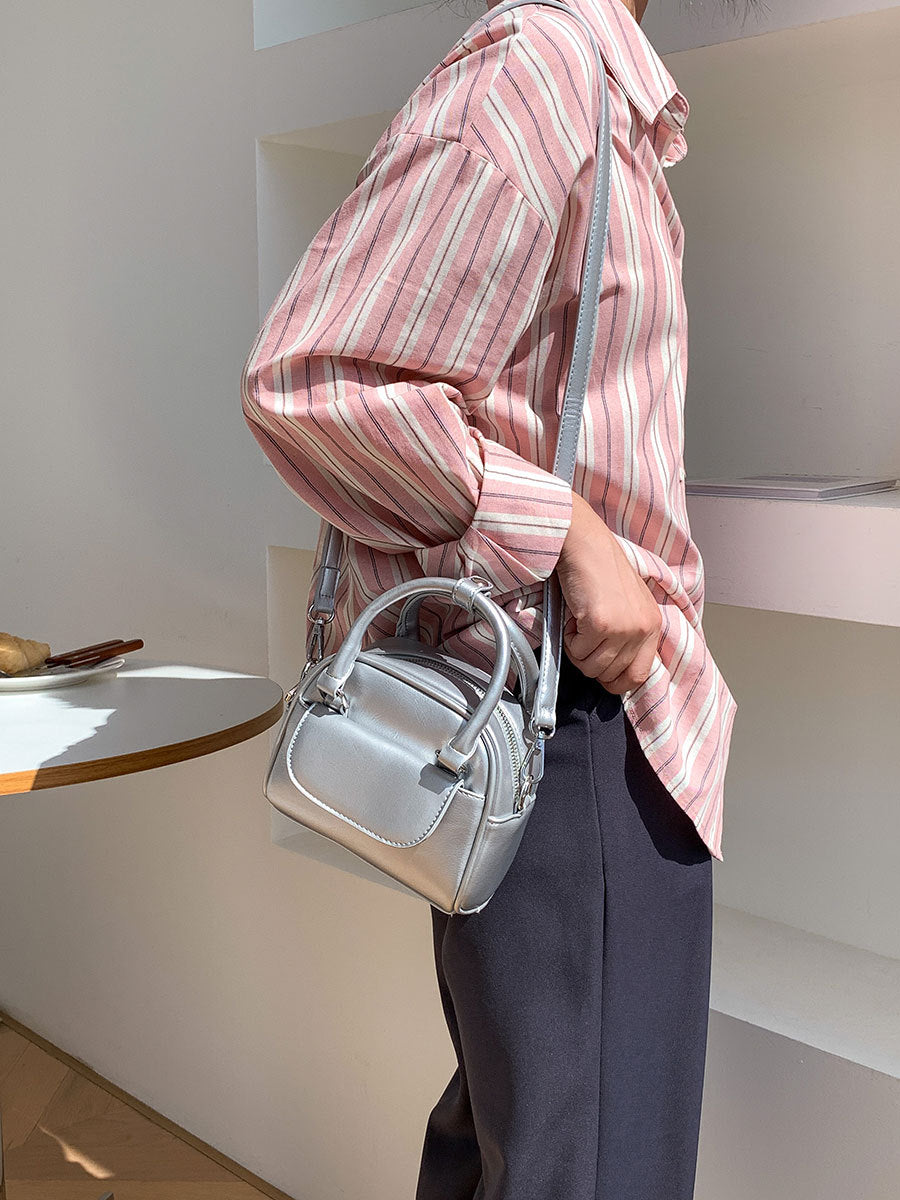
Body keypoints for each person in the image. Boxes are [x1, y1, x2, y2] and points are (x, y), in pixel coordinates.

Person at [241, 0, 741, 1195]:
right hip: (566, 720)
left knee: (528, 1143)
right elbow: (317, 381)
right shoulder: (540, 72)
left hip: (575, 718)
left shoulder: (590, 91)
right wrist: (568, 532)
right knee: (589, 1162)